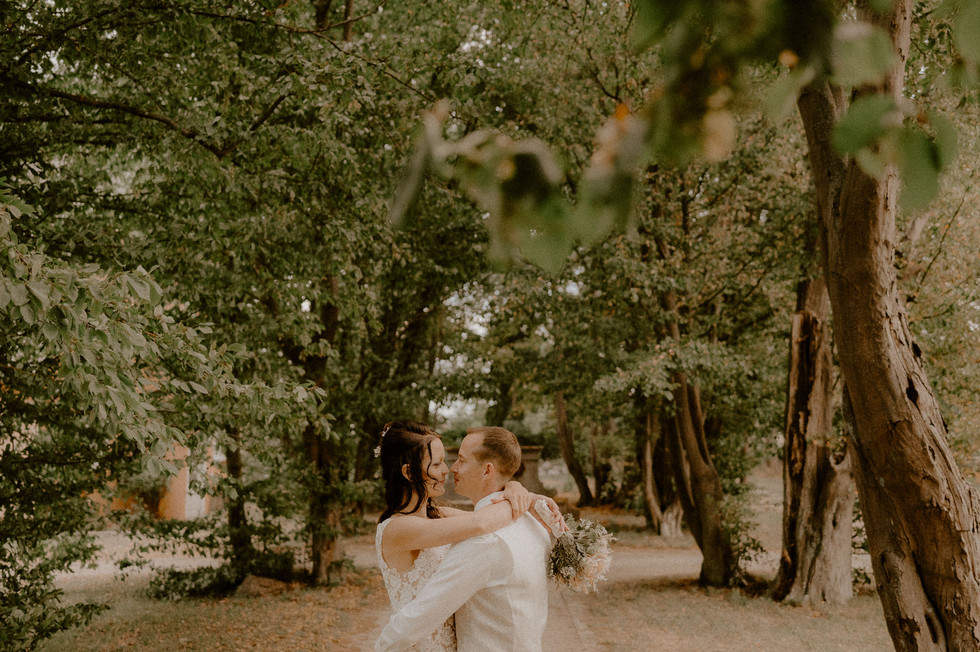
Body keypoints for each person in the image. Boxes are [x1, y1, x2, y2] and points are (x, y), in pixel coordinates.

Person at [374, 421, 557, 652]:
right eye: (437, 463)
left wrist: (514, 488)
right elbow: (481, 522)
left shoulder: (438, 517)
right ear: (409, 472)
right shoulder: (398, 528)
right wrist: (525, 497)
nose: (447, 469)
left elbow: (484, 518)